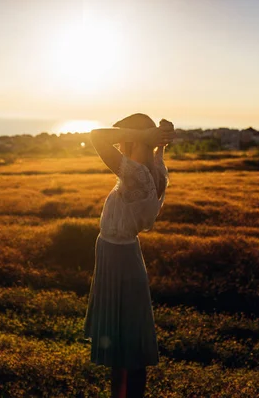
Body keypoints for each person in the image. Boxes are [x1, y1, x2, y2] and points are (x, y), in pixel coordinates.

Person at [83, 113, 175, 398]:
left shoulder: (137, 175)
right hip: (121, 256)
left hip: (119, 259)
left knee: (125, 347)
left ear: (134, 140)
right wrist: (156, 138)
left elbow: (95, 136)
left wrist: (144, 136)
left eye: (124, 141)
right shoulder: (154, 168)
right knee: (126, 343)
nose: (121, 146)